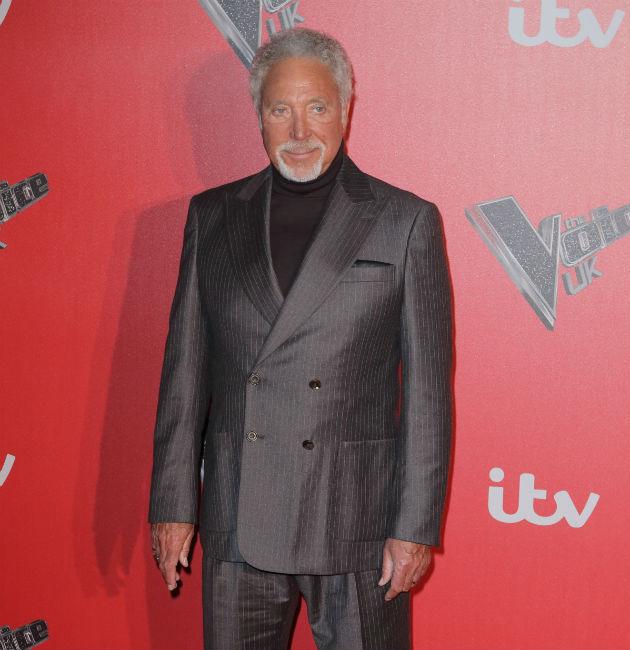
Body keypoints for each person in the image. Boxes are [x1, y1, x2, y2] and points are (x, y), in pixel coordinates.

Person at [148, 26, 453, 650]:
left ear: (345, 108)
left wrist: (414, 526)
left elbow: (428, 395)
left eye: (316, 107)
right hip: (241, 513)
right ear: (259, 117)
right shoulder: (213, 217)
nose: (299, 131)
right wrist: (173, 504)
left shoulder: (405, 221)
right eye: (279, 110)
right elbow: (184, 375)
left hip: (356, 520)